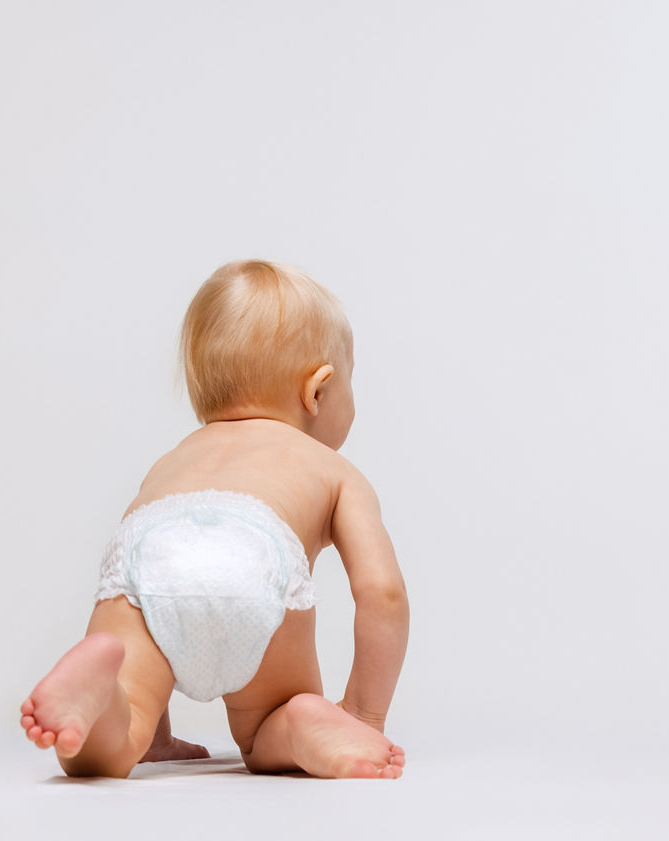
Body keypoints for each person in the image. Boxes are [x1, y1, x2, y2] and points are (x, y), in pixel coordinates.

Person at [20, 259, 409, 779]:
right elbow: (382, 594)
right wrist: (364, 715)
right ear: (317, 391)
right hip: (257, 556)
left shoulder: (174, 459)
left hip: (150, 547)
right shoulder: (332, 469)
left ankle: (108, 703)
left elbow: (147, 549)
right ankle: (300, 723)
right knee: (268, 728)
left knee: (111, 741)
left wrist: (149, 722)